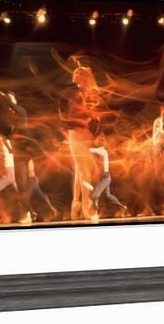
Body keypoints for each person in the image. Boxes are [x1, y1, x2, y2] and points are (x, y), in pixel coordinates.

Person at [0, 85, 57, 223]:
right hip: (18, 151)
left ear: (14, 99)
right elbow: (8, 133)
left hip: (26, 150)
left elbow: (12, 108)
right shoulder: (9, 115)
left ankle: (37, 211)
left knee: (29, 184)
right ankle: (30, 213)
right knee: (22, 186)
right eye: (7, 97)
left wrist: (3, 96)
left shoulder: (21, 110)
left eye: (11, 97)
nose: (8, 99)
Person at [58, 65, 102, 221]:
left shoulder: (91, 93)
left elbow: (97, 115)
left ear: (85, 76)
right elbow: (62, 113)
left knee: (79, 171)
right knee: (84, 170)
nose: (75, 74)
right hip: (75, 132)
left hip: (86, 133)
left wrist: (94, 130)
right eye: (75, 72)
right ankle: (85, 206)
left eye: (79, 72)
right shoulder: (70, 92)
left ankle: (76, 207)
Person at [82, 133, 128, 218]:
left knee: (94, 196)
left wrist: (81, 146)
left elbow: (90, 150)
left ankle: (94, 213)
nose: (100, 141)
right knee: (107, 195)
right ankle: (122, 206)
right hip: (104, 176)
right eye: (99, 139)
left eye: (101, 139)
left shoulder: (102, 151)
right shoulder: (99, 151)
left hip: (105, 177)